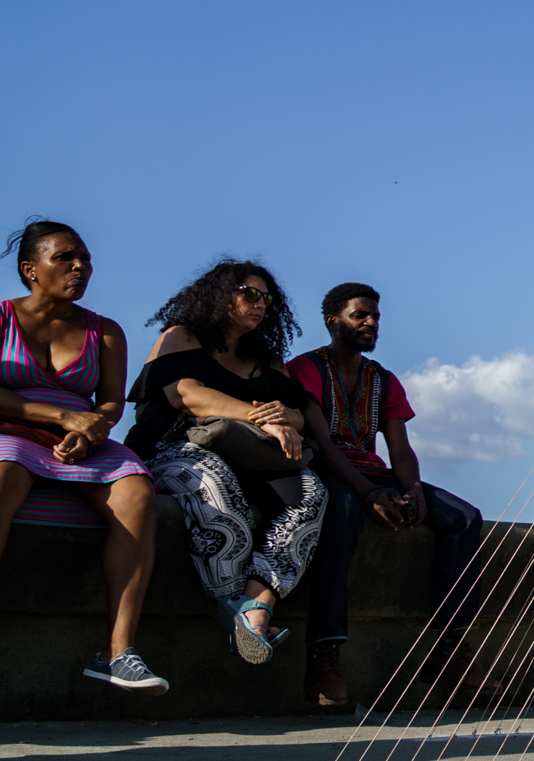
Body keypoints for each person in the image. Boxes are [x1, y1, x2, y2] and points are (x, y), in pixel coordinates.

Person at [288, 283, 497, 709]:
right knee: (341, 510)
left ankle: (449, 651)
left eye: (375, 316)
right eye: (360, 315)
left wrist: (413, 490)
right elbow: (321, 442)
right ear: (333, 321)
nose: (370, 323)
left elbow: (399, 448)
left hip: (371, 472)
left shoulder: (382, 379)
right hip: (326, 471)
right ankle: (324, 657)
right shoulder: (305, 368)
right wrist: (367, 494)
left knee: (463, 518)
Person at [124, 260, 325, 666]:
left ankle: (256, 604)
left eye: (266, 298)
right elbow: (187, 395)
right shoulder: (182, 338)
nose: (260, 304)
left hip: (250, 458)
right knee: (216, 483)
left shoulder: (266, 359)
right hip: (172, 448)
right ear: (219, 296)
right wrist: (266, 419)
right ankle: (237, 608)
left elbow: (298, 415)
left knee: (312, 493)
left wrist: (285, 420)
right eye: (249, 294)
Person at [0, 222, 164, 694]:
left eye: (86, 259)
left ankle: (118, 653)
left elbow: (111, 402)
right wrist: (60, 414)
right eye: (65, 258)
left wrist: (91, 430)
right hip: (10, 427)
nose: (80, 267)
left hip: (80, 439)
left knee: (137, 490)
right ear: (31, 270)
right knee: (3, 474)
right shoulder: (2, 317)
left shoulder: (104, 331)